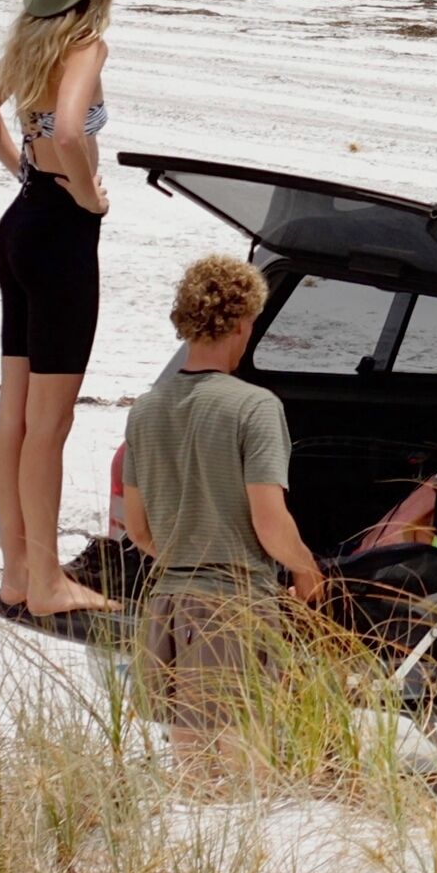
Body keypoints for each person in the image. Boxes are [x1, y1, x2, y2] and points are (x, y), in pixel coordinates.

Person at [0, 0, 141, 624]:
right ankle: (45, 585)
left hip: (19, 227)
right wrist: (87, 193)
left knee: (14, 415)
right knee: (51, 423)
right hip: (61, 234)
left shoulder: (30, 36)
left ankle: (16, 575)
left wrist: (25, 173)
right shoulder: (86, 44)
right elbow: (68, 130)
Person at [121, 255, 325, 731]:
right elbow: (270, 521)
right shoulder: (254, 407)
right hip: (236, 606)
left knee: (189, 771)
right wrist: (304, 568)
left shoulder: (145, 410)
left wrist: (185, 552)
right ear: (241, 323)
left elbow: (138, 528)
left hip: (168, 605)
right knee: (242, 770)